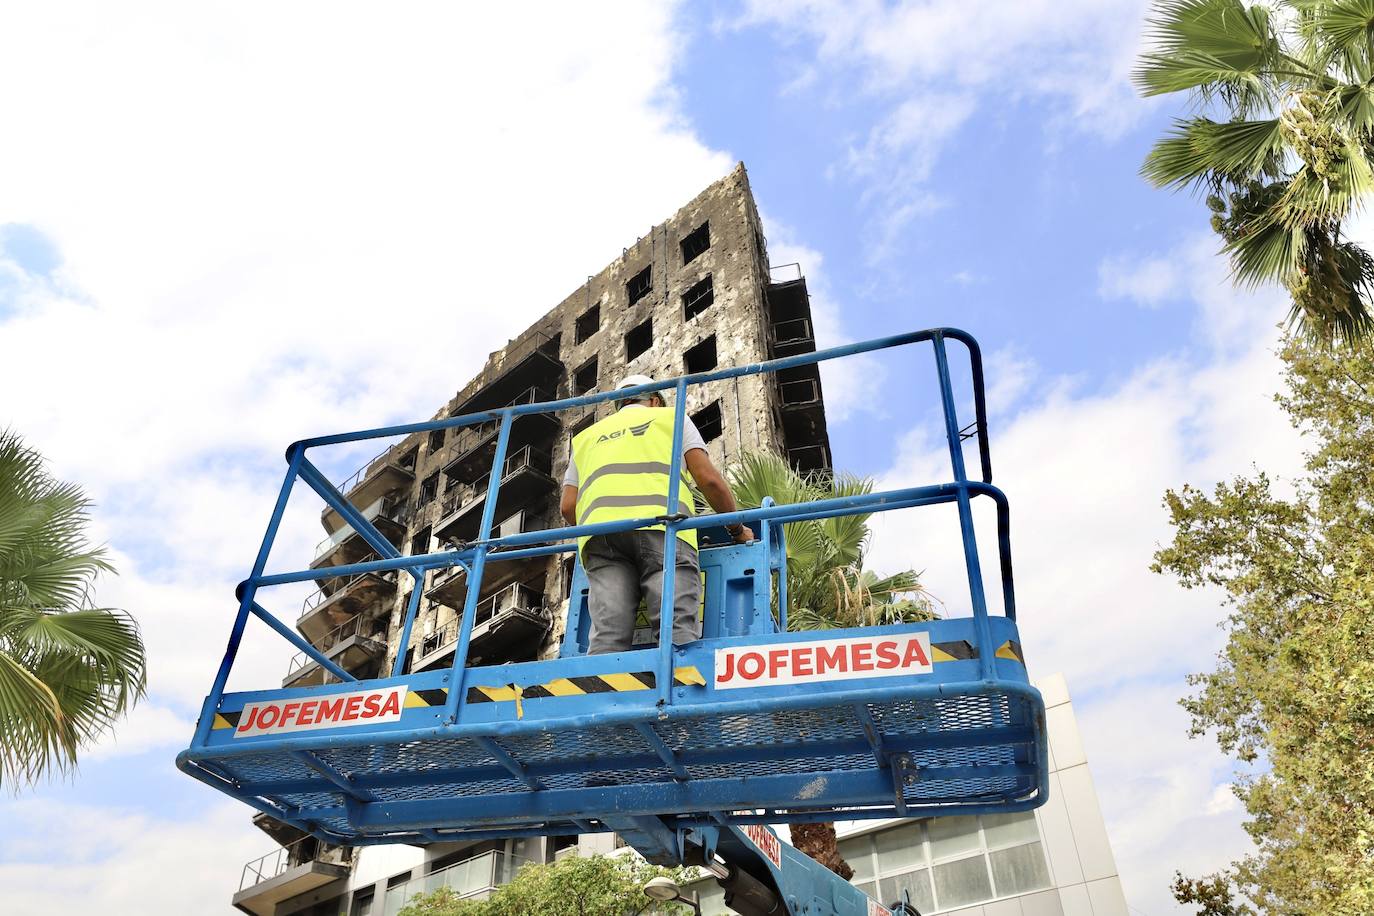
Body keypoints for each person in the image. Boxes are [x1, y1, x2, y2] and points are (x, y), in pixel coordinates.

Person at [560, 374, 754, 655]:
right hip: (663, 529)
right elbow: (708, 480)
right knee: (674, 627)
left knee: (607, 635)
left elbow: (568, 507)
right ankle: (677, 684)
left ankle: (602, 691)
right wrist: (737, 530)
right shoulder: (671, 418)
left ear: (619, 405)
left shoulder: (585, 438)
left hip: (600, 538)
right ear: (654, 400)